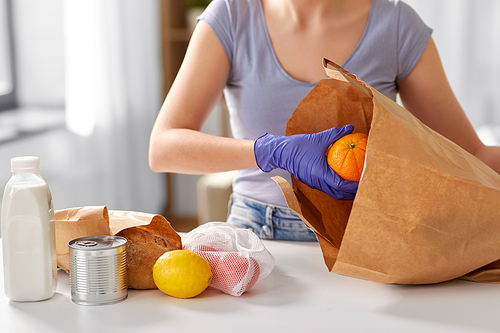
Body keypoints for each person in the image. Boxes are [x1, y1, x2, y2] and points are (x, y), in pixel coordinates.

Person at [149, 0, 500, 241]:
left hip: (367, 233)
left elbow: (470, 155)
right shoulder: (231, 16)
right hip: (257, 231)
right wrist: (272, 151)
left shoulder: (394, 25)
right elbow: (163, 147)